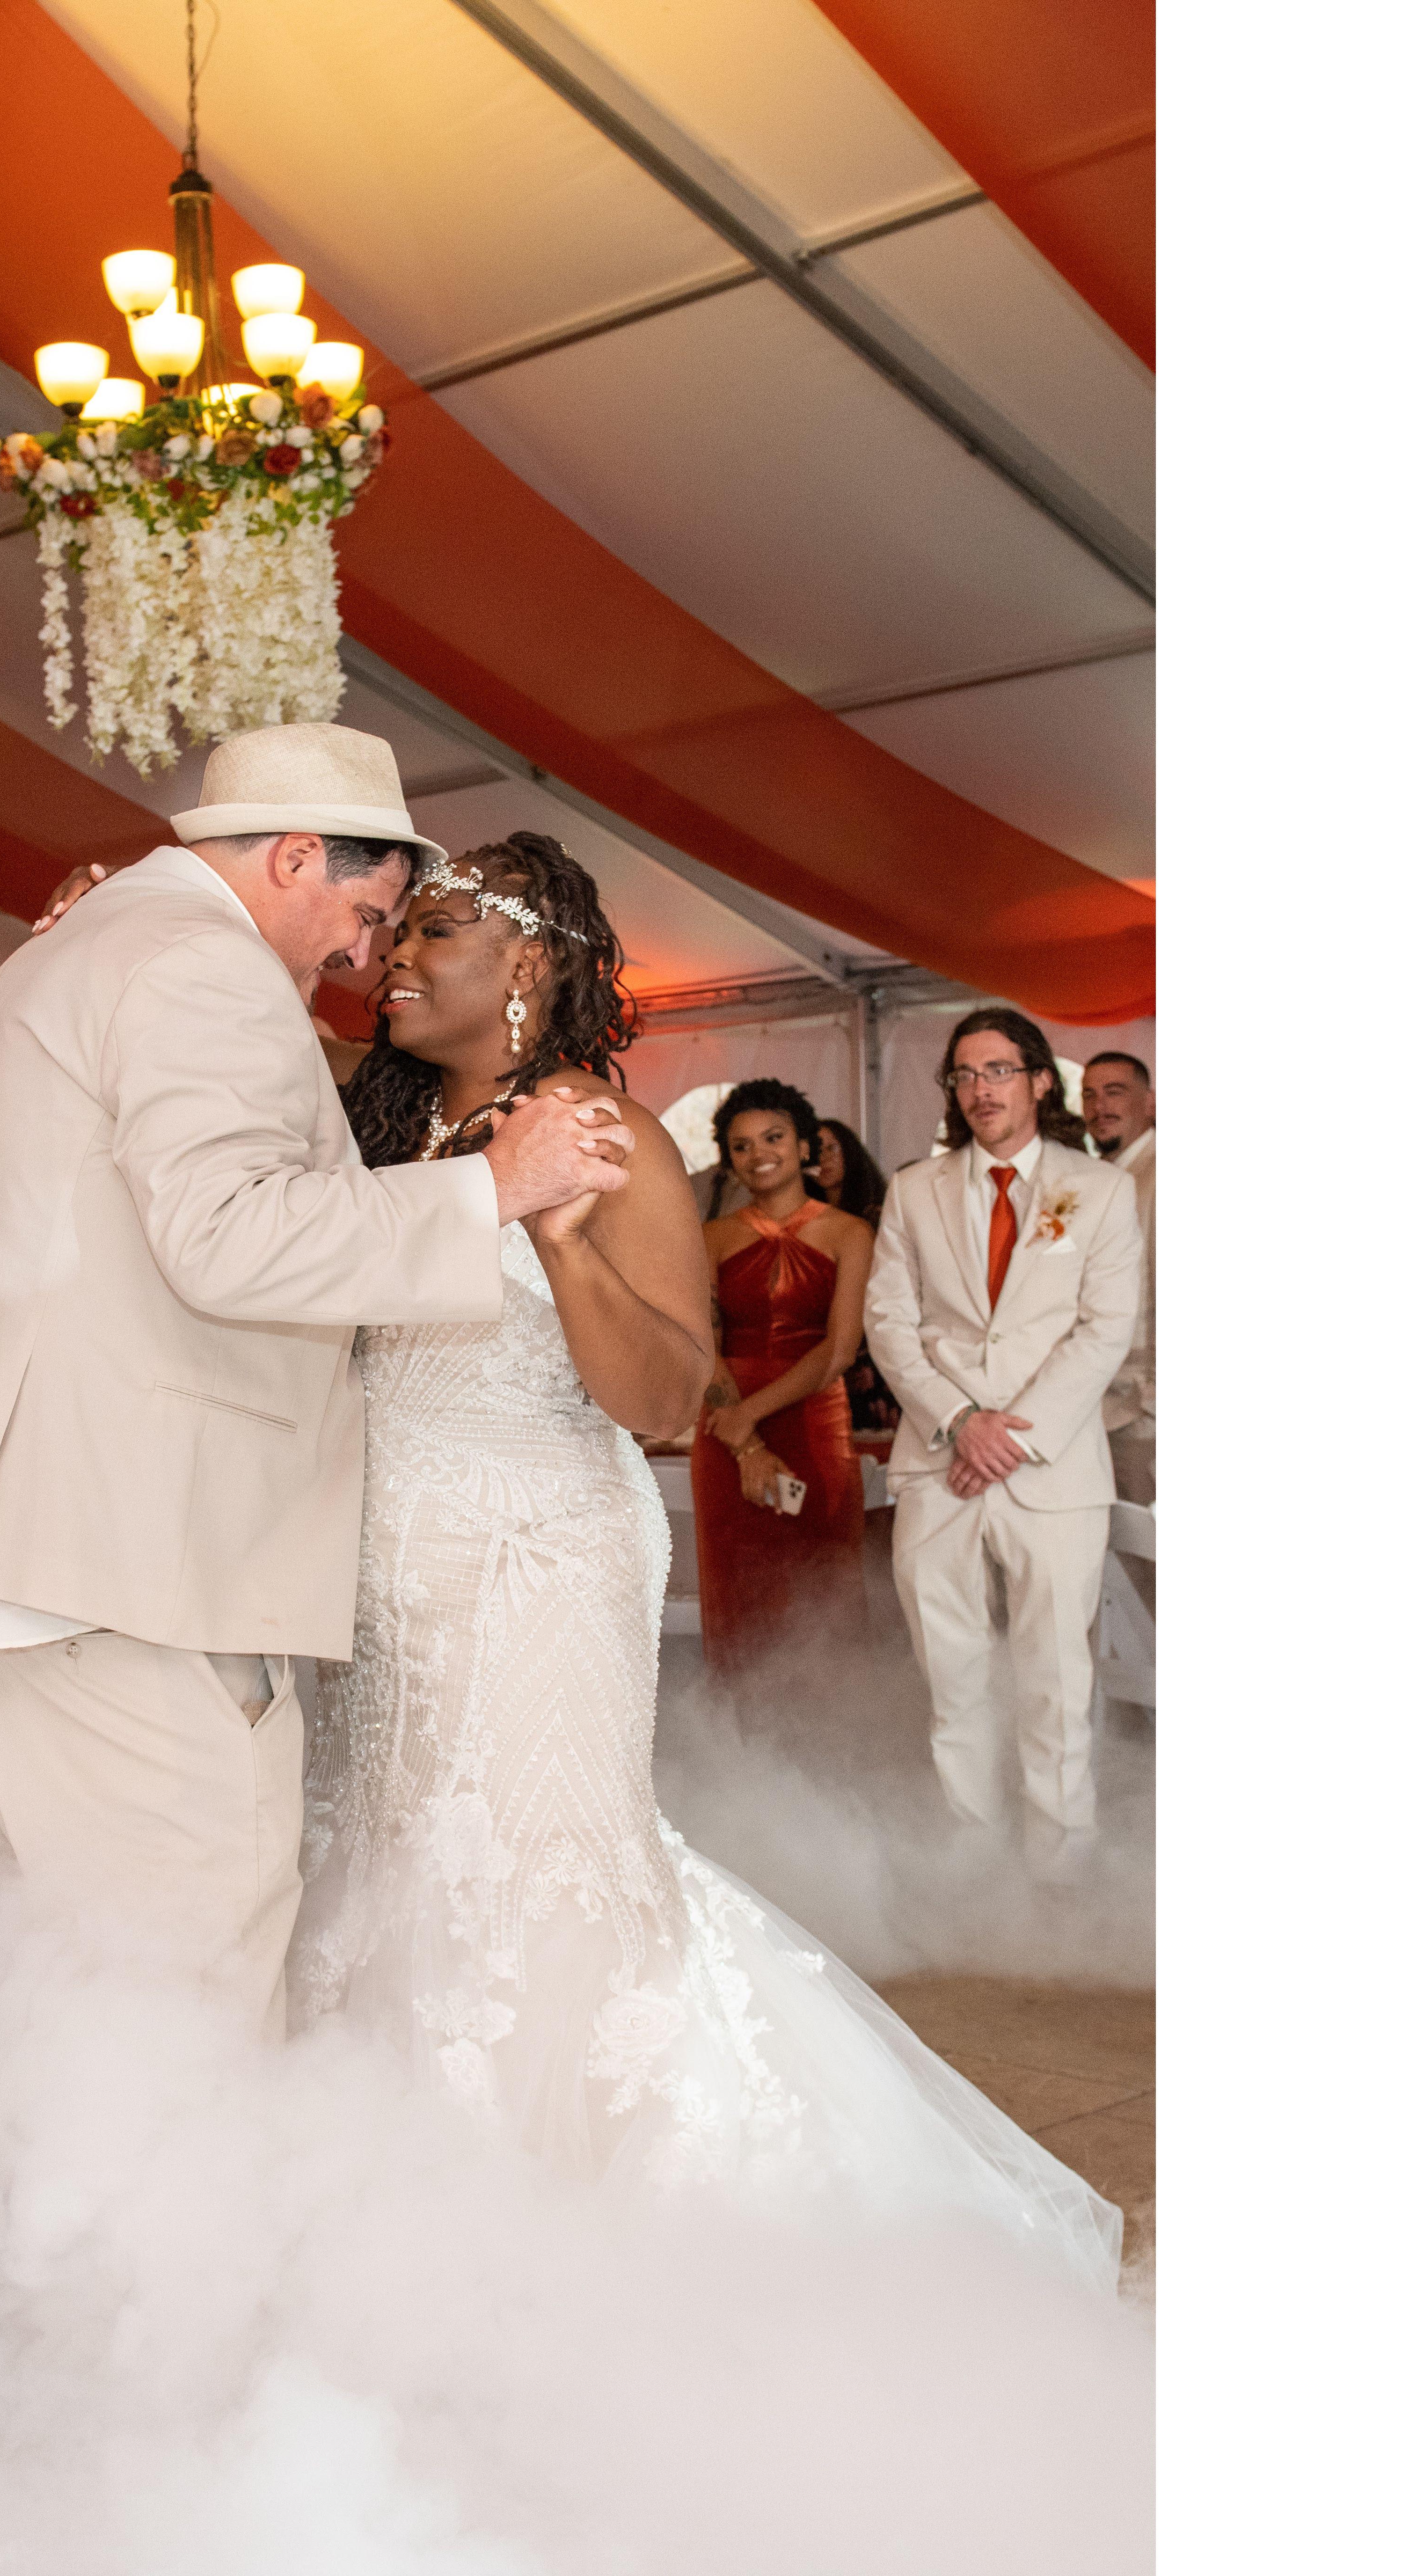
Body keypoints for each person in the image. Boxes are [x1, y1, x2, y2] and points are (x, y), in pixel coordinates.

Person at [281, 838, 1117, 2279]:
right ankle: (385, 2207)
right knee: (389, 1854)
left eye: (426, 931)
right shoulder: (385, 1128)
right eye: (389, 934)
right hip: (383, 1562)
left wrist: (555, 1238)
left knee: (541, 1871)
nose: (390, 958)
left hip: (540, 1556)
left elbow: (667, 1397)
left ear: (527, 966)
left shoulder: (603, 1133)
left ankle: (584, 2215)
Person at [0, 721, 634, 2041]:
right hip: (117, 1575)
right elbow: (230, 1236)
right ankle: (168, 2253)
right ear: (289, 858)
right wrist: (498, 1188)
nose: (365, 955)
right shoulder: (195, 968)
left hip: (28, 1561)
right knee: (185, 1985)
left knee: (59, 1982)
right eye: (371, 912)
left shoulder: (91, 950)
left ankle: (68, 2241)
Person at [864, 1009, 1141, 1866]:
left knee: (1055, 1681)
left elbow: (1105, 1328)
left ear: (1035, 1082)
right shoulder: (915, 1188)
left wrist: (1009, 1435)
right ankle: (972, 1857)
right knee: (951, 1675)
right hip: (936, 1460)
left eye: (996, 1070)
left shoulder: (1098, 1190)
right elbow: (887, 1319)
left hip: (1049, 1467)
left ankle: (1060, 1865)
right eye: (963, 1074)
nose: (979, 1089)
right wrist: (957, 1421)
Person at [687, 1080, 872, 1673]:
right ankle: (740, 1742)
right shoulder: (710, 1237)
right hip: (723, 1426)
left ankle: (831, 1738)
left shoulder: (850, 1232)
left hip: (813, 1419)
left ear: (802, 1145)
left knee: (823, 1576)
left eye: (772, 1137)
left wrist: (750, 1415)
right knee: (735, 1580)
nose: (757, 1153)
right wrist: (743, 1439)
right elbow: (702, 1345)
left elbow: (839, 1349)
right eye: (739, 1145)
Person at [1081, 1051, 1157, 1505]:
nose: (1099, 1106)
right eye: (1089, 1094)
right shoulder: (1099, 1178)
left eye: (1115, 1092)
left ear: (1149, 1103)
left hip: (1140, 1408)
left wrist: (1152, 1398)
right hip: (1099, 1403)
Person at [805, 1119, 901, 1439]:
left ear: (851, 1152)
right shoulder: (804, 1221)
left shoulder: (875, 1216)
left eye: (833, 1148)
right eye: (816, 1151)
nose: (825, 1160)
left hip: (869, 1343)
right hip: (818, 1343)